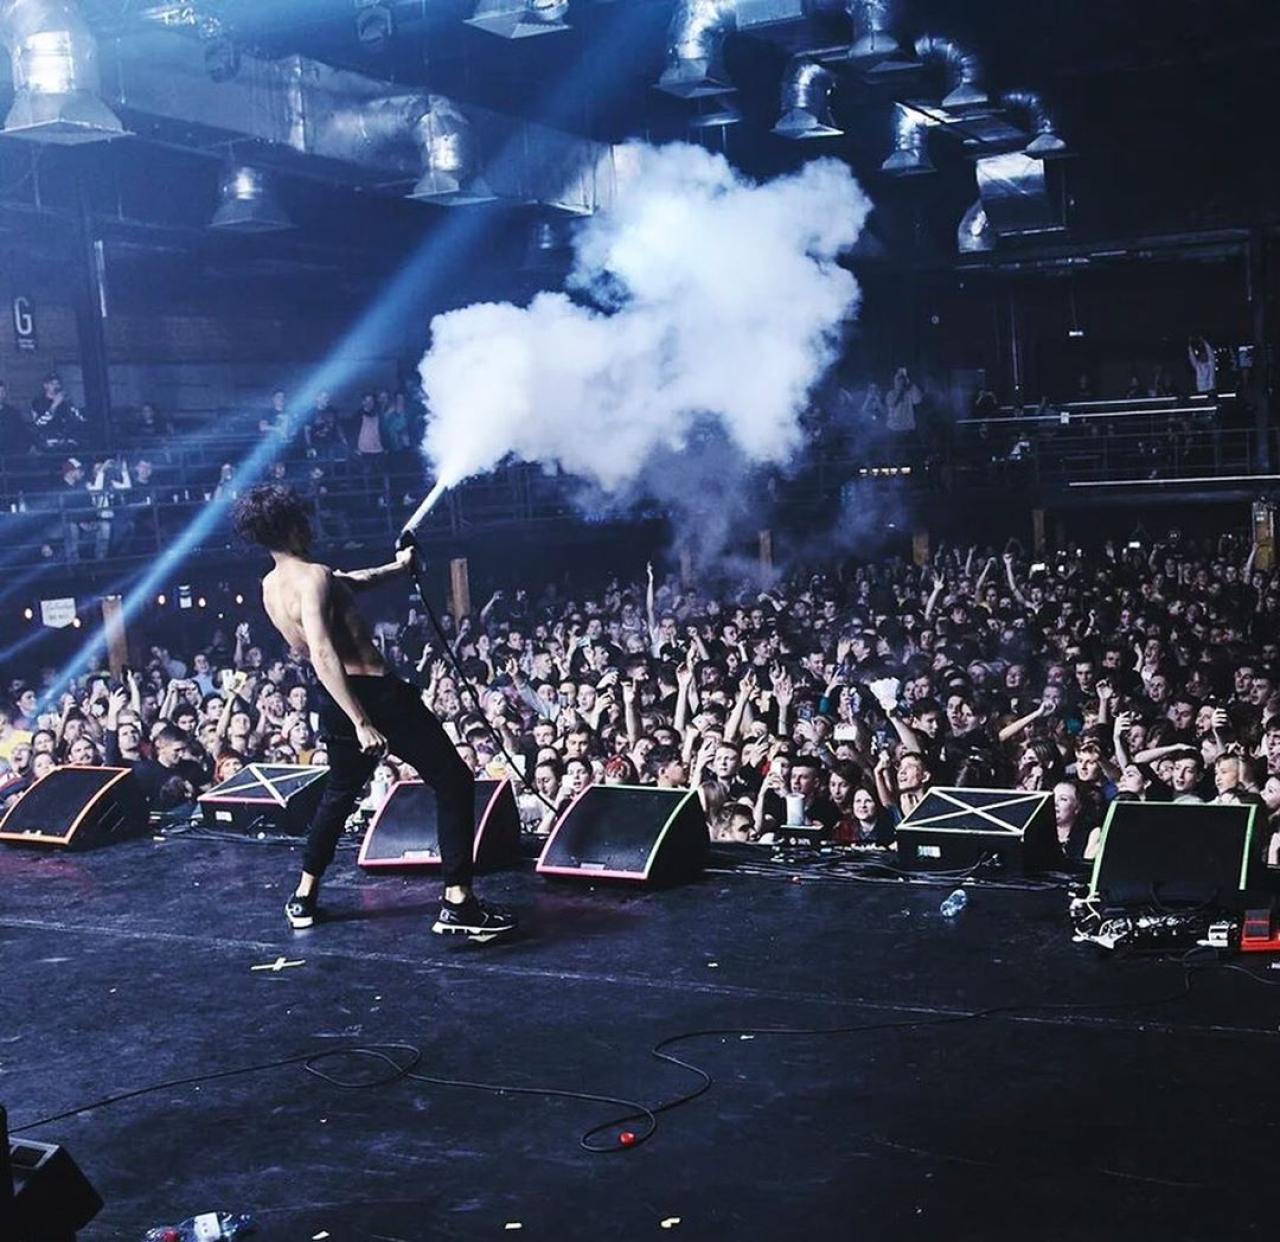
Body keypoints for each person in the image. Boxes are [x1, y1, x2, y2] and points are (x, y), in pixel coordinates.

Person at [233, 483, 515, 940]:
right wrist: (362, 721)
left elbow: (352, 583)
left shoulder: (274, 586)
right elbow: (322, 652)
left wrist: (399, 568)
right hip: (374, 696)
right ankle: (458, 901)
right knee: (454, 780)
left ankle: (304, 895)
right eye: (303, 520)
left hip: (334, 698)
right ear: (289, 526)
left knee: (339, 792)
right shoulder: (314, 576)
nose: (311, 527)